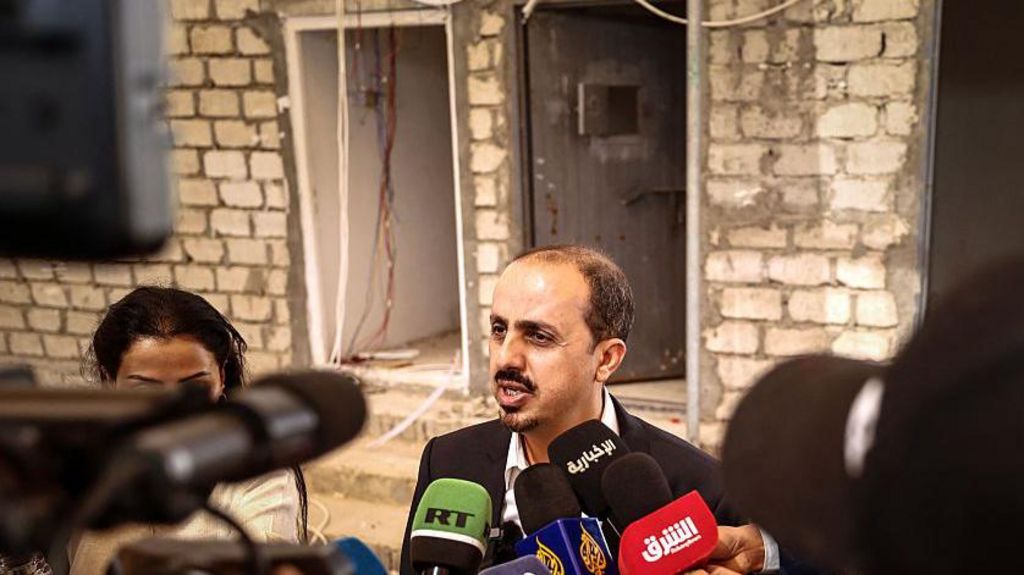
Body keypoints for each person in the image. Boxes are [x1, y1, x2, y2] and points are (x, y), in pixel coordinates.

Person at [399, 245, 810, 575]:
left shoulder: (699, 488)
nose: (506, 358)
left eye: (538, 336)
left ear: (607, 359)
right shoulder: (449, 462)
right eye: (499, 329)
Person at [69, 286, 308, 575]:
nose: (175, 413)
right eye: (146, 390)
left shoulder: (258, 474)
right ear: (111, 383)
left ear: (221, 376)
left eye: (194, 388)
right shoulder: (84, 462)